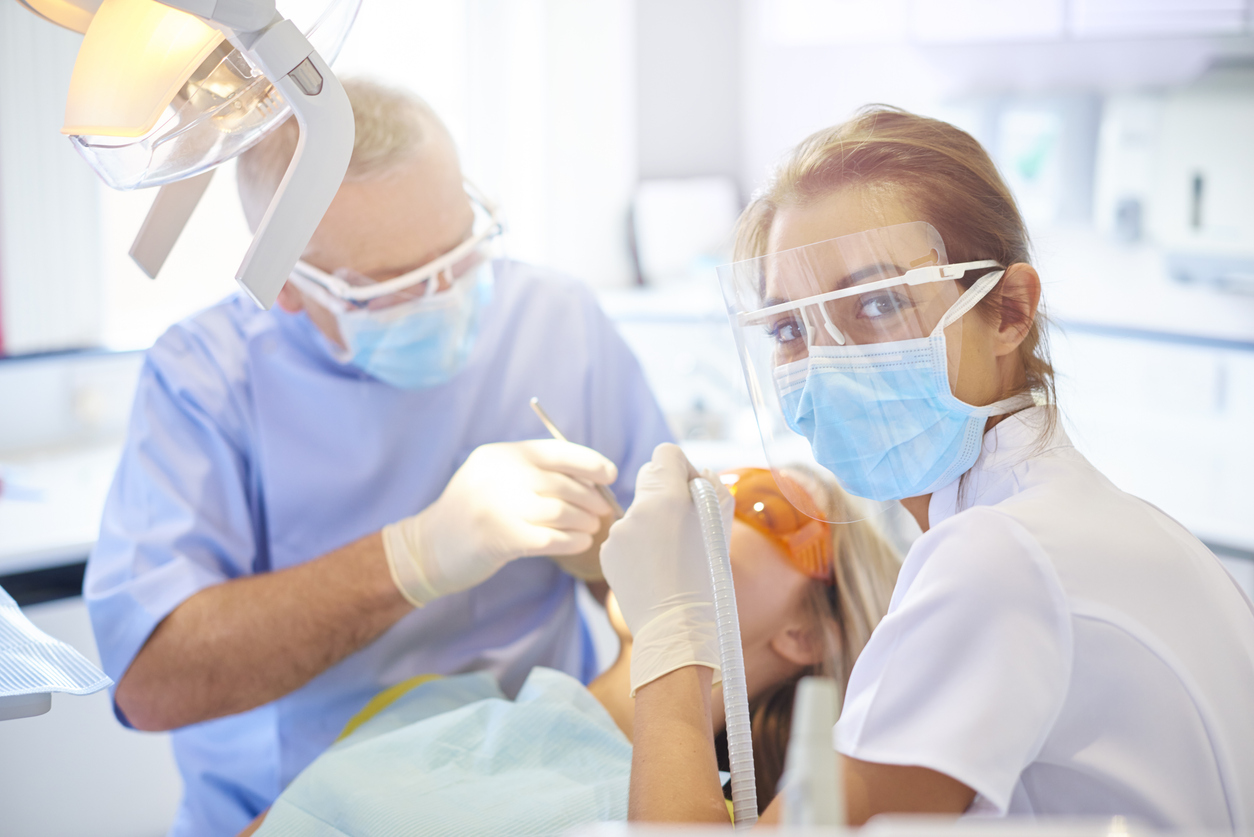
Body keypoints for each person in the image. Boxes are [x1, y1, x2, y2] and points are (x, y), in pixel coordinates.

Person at [602, 108, 1254, 828]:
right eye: (790, 327)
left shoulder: (998, 559)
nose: (826, 361)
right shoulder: (1109, 527)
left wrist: (668, 639)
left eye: (877, 303)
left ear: (1008, 309)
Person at [84, 79, 672, 837]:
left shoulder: (558, 323)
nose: (446, 295)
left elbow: (677, 596)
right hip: (295, 812)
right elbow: (153, 684)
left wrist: (611, 560)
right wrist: (414, 555)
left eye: (461, 250)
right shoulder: (206, 379)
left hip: (537, 794)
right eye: (393, 286)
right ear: (289, 288)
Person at [234, 461, 899, 836]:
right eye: (711, 479)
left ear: (808, 634)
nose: (709, 499)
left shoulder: (709, 823)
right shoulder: (437, 702)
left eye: (760, 506)